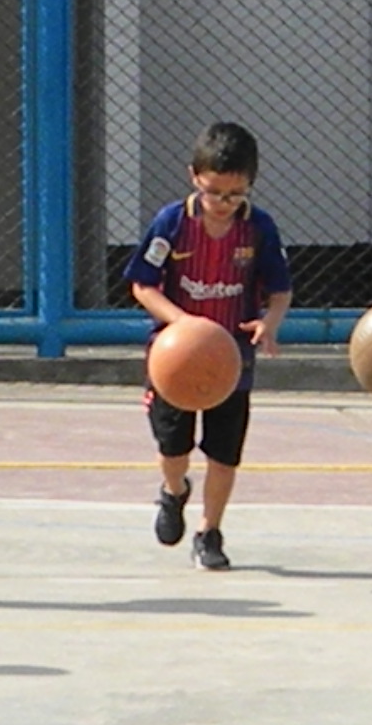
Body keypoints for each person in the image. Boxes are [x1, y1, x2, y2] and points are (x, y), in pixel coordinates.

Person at [123, 121, 293, 571]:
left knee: (224, 449)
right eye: (216, 192)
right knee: (172, 445)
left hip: (232, 357)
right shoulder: (172, 223)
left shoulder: (259, 230)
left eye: (235, 194)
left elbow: (279, 291)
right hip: (174, 356)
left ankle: (210, 530)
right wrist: (184, 326)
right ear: (195, 176)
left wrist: (270, 323)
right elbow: (142, 285)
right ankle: (174, 489)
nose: (224, 204)